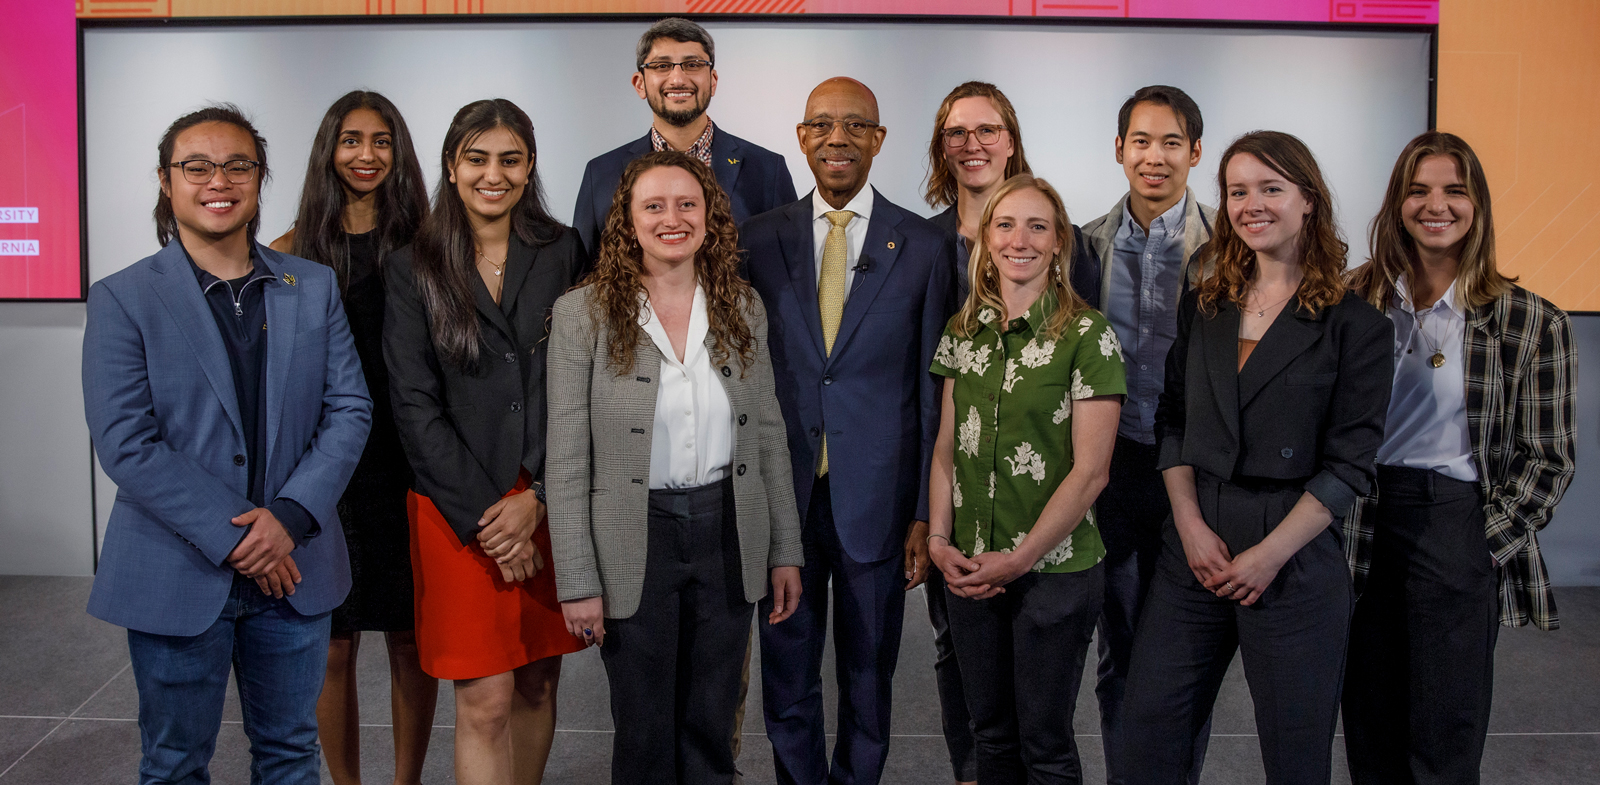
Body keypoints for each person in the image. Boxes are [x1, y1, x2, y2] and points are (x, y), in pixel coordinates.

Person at [82, 104, 371, 784]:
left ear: (260, 177)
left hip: (295, 568)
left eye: (238, 164)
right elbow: (127, 442)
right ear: (166, 180)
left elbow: (350, 408)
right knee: (177, 762)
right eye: (198, 166)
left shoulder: (313, 285)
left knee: (291, 754)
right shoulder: (124, 298)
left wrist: (291, 519)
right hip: (176, 568)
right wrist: (244, 536)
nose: (220, 179)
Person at [1120, 130, 1394, 784]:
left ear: (1308, 201)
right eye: (1237, 190)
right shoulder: (1205, 305)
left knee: (1295, 758)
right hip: (1194, 547)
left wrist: (1268, 554)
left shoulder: (1357, 325)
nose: (1252, 204)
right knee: (1145, 741)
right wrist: (1188, 527)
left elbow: (1350, 465)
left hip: (1293, 554)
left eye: (1271, 187)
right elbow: (1174, 421)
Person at [546, 150, 805, 785]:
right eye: (653, 206)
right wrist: (577, 580)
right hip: (636, 536)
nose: (672, 218)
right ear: (626, 220)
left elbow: (768, 435)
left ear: (709, 216)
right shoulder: (582, 314)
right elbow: (567, 453)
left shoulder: (741, 306)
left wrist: (784, 550)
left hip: (727, 529)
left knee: (712, 720)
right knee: (643, 725)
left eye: (687, 204)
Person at [1342, 131, 1577, 785]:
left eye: (1454, 189)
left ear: (1478, 206)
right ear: (1396, 203)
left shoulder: (1531, 321)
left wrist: (1483, 541)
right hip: (1358, 519)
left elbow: (1547, 459)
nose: (1435, 203)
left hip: (1457, 523)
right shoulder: (1347, 302)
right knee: (1368, 722)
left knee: (1446, 731)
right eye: (1418, 189)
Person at [742, 76, 956, 785]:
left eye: (855, 125)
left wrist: (926, 511)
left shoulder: (923, 246)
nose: (838, 138)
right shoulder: (758, 239)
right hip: (785, 501)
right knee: (787, 673)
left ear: (879, 139)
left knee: (870, 677)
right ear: (802, 137)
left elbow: (934, 393)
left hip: (879, 504)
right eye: (822, 125)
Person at [383, 99, 586, 785]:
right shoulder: (411, 264)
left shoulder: (562, 251)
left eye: (510, 159)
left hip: (545, 501)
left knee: (535, 684)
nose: (492, 174)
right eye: (476, 158)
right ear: (450, 164)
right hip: (455, 513)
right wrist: (490, 519)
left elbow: (577, 383)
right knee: (485, 698)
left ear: (529, 168)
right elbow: (413, 406)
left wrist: (536, 495)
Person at [926, 173, 1126, 784]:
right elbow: (944, 450)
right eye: (1005, 225)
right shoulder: (964, 331)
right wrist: (938, 541)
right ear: (985, 239)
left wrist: (1018, 561)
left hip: (1054, 573)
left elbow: (1092, 473)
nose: (1021, 239)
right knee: (990, 738)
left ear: (1060, 241)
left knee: (1045, 743)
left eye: (1038, 226)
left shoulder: (1088, 335)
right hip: (970, 571)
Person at [269, 89, 436, 785]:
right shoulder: (286, 252)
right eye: (351, 139)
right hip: (326, 470)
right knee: (330, 647)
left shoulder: (429, 245)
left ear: (398, 152)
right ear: (328, 150)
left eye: (381, 140)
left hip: (410, 464)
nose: (366, 155)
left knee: (409, 640)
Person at [1076, 84, 1216, 785]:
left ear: (1195, 152)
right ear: (1119, 150)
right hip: (1116, 469)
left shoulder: (1231, 248)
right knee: (1120, 651)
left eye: (1170, 143)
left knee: (1185, 658)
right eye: (1140, 141)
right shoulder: (1082, 247)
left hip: (1196, 471)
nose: (1154, 157)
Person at [572, 17, 797, 260]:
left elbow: (787, 269)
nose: (678, 79)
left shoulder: (767, 169)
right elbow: (586, 274)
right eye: (661, 66)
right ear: (640, 84)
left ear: (712, 81)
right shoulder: (601, 173)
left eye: (693, 64)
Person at [924, 81, 1095, 309]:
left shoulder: (1065, 241)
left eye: (987, 130)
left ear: (1011, 144)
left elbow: (1084, 328)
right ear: (943, 149)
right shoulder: (921, 244)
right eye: (957, 133)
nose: (972, 145)